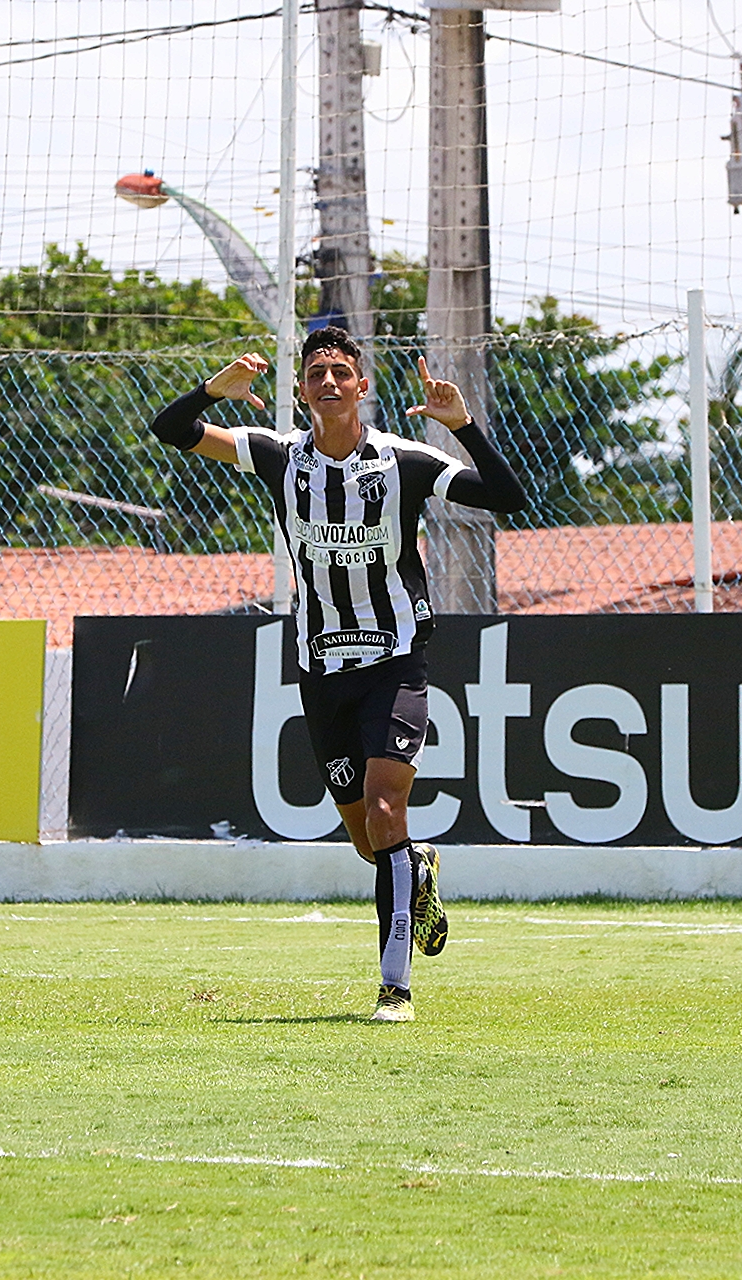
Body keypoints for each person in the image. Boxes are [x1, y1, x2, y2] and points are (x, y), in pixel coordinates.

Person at [149, 327, 527, 1021]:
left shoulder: (404, 461)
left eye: (341, 371)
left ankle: (396, 988)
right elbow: (170, 429)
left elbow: (508, 496)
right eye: (316, 372)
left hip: (396, 661)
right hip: (322, 669)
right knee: (368, 840)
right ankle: (419, 871)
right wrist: (213, 390)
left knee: (388, 813)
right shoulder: (274, 455)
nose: (329, 381)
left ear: (361, 386)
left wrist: (462, 426)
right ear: (300, 392)